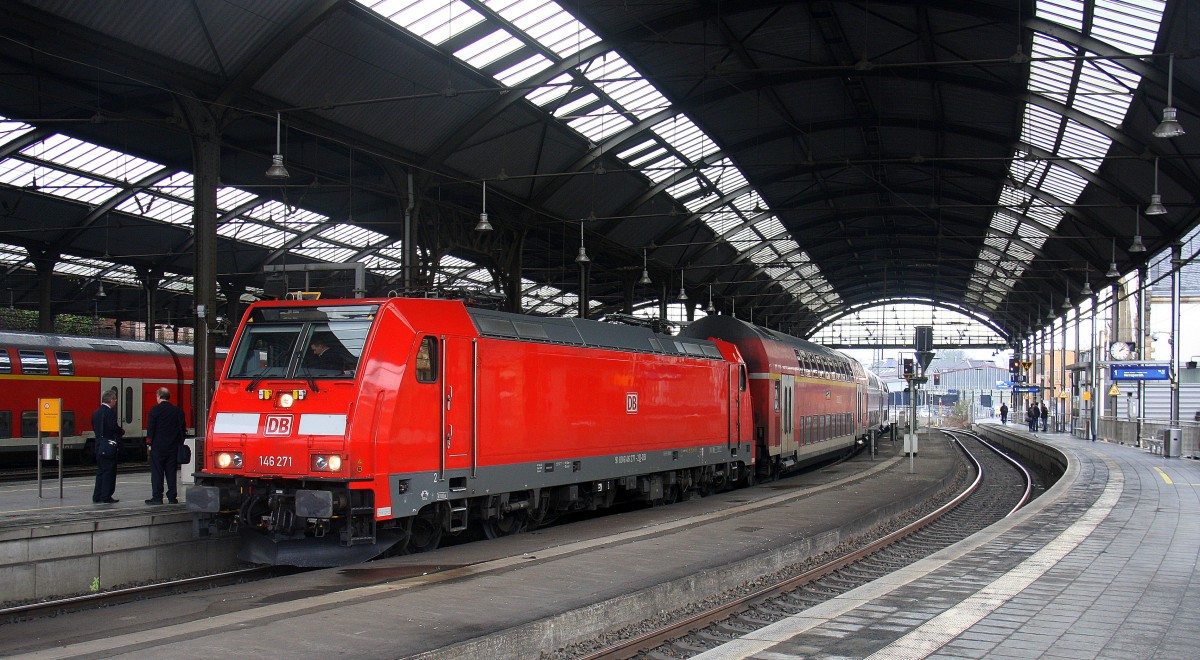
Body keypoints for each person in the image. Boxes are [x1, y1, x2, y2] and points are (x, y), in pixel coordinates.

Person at [145, 387, 186, 505]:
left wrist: (149, 444)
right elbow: (182, 429)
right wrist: (180, 443)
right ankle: (172, 497)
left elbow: (151, 429)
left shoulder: (155, 410)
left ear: (158, 396)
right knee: (171, 473)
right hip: (173, 448)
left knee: (157, 473)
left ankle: (157, 497)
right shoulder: (177, 411)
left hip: (157, 448)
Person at [91, 389, 122, 504]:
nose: (115, 401)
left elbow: (94, 427)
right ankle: (106, 496)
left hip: (98, 444)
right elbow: (113, 427)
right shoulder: (110, 412)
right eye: (115, 399)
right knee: (109, 471)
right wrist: (121, 431)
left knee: (100, 471)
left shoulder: (96, 412)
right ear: (111, 400)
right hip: (108, 446)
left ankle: (97, 496)